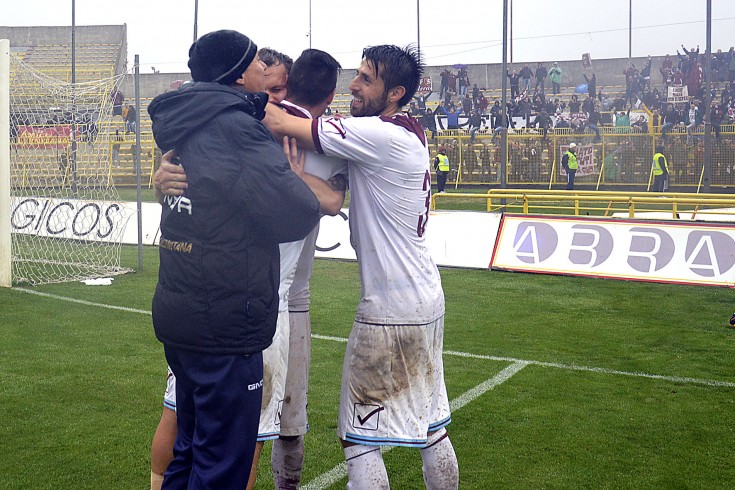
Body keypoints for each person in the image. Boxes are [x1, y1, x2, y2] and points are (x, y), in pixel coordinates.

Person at [263, 44, 459, 490]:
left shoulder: (376, 136)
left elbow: (278, 121)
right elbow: (333, 198)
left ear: (396, 93)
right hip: (427, 297)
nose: (354, 84)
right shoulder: (406, 132)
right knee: (431, 427)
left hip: (388, 310)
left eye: (366, 79)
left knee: (359, 441)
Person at [147, 29, 321, 489]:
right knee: (222, 462)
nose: (264, 70)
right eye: (257, 63)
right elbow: (295, 213)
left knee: (190, 447)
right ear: (239, 75)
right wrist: (292, 178)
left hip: (182, 310)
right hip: (224, 318)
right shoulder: (234, 128)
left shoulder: (187, 118)